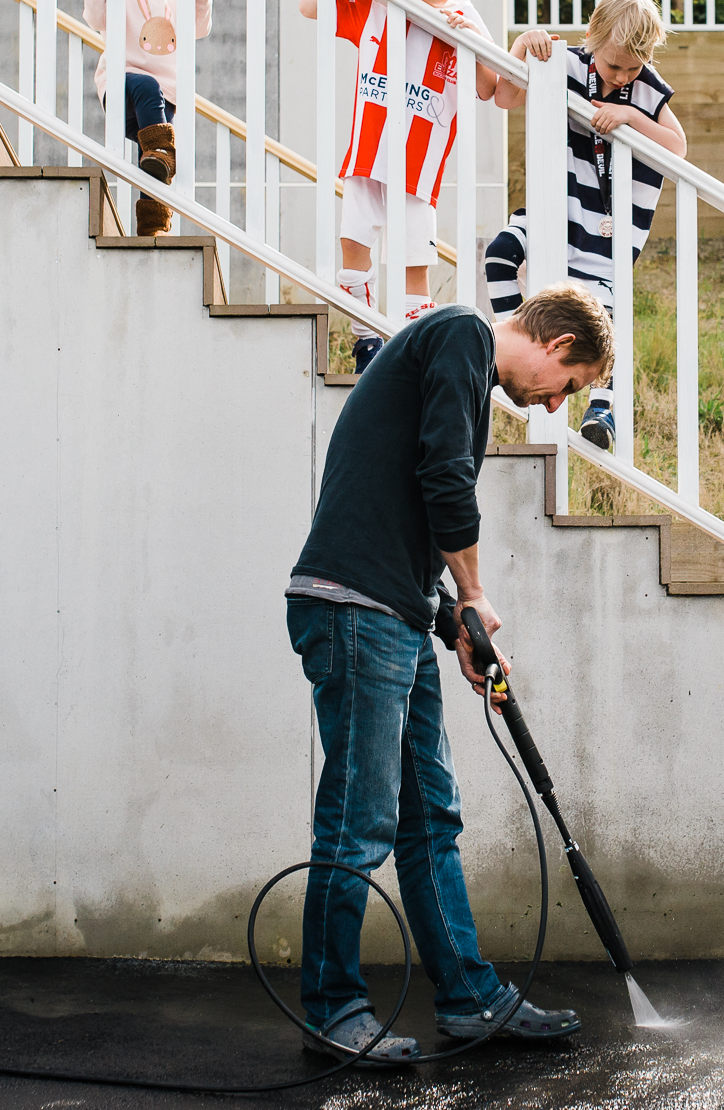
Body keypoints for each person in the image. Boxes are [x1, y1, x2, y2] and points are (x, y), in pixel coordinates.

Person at [285, 282, 614, 1064]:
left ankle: (470, 1000)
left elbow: (406, 506)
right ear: (559, 347)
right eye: (565, 388)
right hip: (353, 610)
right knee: (359, 819)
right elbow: (444, 479)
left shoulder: (454, 360)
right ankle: (332, 1011)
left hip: (390, 612)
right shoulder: (464, 334)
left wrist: (453, 624)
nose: (552, 406)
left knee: (430, 815)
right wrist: (472, 593)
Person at [298, 0, 501, 373]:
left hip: (418, 167)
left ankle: (410, 356)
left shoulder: (462, 15)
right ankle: (367, 342)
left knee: (414, 268)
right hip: (367, 156)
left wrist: (476, 40)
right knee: (353, 251)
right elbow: (310, 8)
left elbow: (490, 87)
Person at [484, 0, 686, 452]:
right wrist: (519, 48)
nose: (621, 77)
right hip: (557, 205)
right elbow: (505, 97)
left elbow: (677, 148)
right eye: (613, 66)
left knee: (602, 311)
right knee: (500, 255)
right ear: (591, 39)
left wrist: (631, 115)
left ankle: (602, 408)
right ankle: (505, 349)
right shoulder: (564, 62)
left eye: (632, 68)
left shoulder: (645, 88)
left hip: (606, 222)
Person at [83, 0, 212, 237]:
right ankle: (163, 154)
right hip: (124, 88)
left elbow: (198, 30)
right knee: (146, 87)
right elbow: (95, 18)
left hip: (161, 103)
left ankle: (153, 225)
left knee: (152, 162)